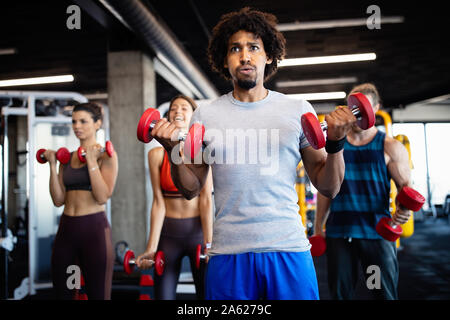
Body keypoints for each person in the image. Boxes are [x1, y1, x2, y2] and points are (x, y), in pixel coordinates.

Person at [149, 7, 357, 300]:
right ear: (225, 58)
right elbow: (191, 187)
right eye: (235, 48)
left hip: (288, 249)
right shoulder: (204, 115)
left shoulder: (297, 110)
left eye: (254, 48)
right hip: (228, 253)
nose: (245, 56)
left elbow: (329, 186)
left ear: (268, 55)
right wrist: (173, 151)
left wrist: (336, 145)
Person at [313, 83, 412, 300]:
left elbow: (407, 189)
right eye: (353, 107)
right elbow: (324, 190)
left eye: (363, 107)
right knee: (341, 295)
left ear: (376, 108)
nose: (355, 113)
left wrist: (404, 211)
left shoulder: (389, 146)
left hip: (375, 236)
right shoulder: (334, 146)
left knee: (379, 293)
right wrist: (318, 228)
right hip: (340, 233)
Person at [136, 95, 213, 300]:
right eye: (173, 109)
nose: (177, 111)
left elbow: (206, 200)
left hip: (196, 235)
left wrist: (210, 242)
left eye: (184, 108)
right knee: (163, 296)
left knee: (205, 296)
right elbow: (158, 202)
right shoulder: (155, 155)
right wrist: (151, 248)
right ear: (168, 116)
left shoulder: (202, 152)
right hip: (168, 237)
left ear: (193, 117)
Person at [45, 102, 118, 300]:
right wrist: (53, 165)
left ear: (97, 124)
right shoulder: (66, 158)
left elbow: (103, 196)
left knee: (98, 294)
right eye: (74, 121)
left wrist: (92, 161)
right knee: (66, 292)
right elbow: (58, 200)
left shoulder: (106, 156)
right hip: (67, 232)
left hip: (93, 232)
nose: (77, 126)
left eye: (83, 121)